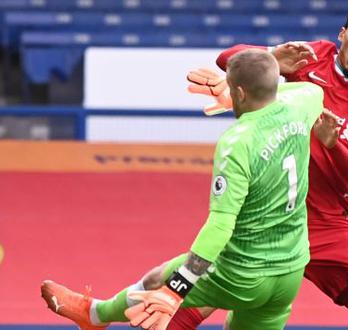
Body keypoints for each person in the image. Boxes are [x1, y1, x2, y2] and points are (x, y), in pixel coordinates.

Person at [175, 3, 348, 330]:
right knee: (185, 306)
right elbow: (228, 59)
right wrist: (271, 57)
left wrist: (332, 144)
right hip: (268, 217)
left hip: (327, 227)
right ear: (342, 34)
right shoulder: (313, 56)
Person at [40, 49, 326, 330]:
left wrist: (177, 288)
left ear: (238, 93)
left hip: (242, 273)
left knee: (155, 281)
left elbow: (220, 226)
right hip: (290, 271)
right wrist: (263, 73)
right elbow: (306, 91)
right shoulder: (304, 103)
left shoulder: (238, 142)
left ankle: (93, 316)